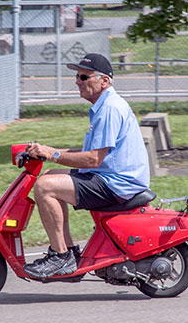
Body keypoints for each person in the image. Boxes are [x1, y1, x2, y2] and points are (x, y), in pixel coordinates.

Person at [23, 53, 150, 279]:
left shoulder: (109, 108)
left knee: (45, 187)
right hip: (112, 176)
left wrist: (52, 153)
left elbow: (92, 160)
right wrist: (47, 150)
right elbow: (88, 155)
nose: (77, 81)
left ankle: (60, 256)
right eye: (77, 76)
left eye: (84, 76)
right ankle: (69, 252)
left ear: (104, 81)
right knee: (51, 174)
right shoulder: (105, 106)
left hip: (117, 184)